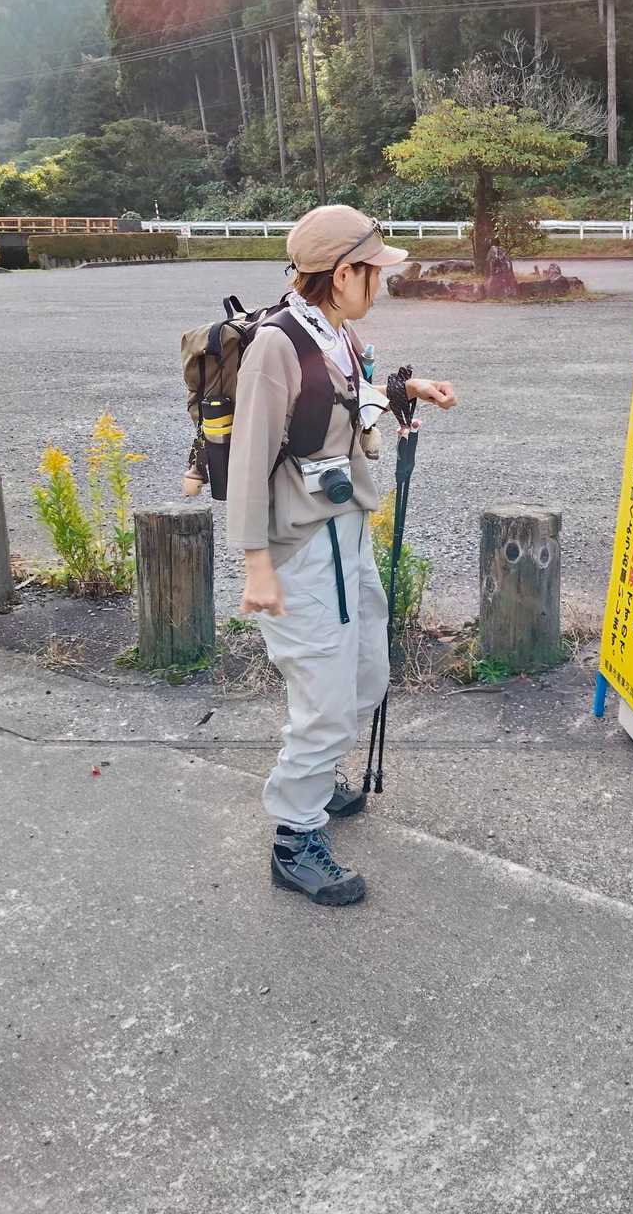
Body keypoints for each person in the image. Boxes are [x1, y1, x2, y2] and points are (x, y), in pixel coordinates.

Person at [225, 205, 456, 907]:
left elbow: (343, 407)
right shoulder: (277, 345)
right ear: (343, 273)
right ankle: (294, 839)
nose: (381, 282)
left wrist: (405, 391)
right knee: (324, 699)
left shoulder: (337, 334)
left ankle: (317, 775)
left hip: (345, 534)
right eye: (374, 271)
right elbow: (249, 459)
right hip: (299, 551)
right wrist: (256, 565)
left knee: (365, 672)